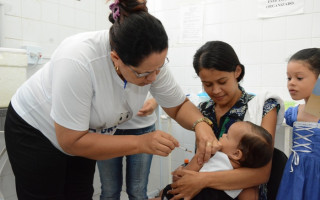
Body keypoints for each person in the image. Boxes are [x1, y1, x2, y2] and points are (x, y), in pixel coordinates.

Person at [4, 1, 217, 199]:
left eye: (159, 69)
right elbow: (71, 140)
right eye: (143, 74)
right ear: (116, 58)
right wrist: (141, 142)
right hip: (36, 129)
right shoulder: (78, 59)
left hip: (84, 133)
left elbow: (178, 106)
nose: (153, 78)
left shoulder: (150, 61)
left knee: (79, 193)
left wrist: (201, 125)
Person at [167, 41, 285, 200]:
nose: (215, 90)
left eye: (222, 82)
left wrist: (202, 180)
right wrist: (186, 174)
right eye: (207, 84)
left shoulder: (264, 107)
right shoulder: (203, 111)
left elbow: (261, 173)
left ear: (237, 71)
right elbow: (202, 160)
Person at [160, 121, 273, 200]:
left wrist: (201, 154)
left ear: (236, 154)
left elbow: (185, 177)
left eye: (227, 136)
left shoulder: (218, 157)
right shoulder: (243, 180)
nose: (222, 135)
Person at [276, 48, 320, 200]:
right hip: (294, 174)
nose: (291, 84)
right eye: (289, 78)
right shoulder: (293, 114)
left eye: (299, 78)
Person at [98, 95, 158, 200]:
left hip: (142, 127)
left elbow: (160, 89)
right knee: (109, 191)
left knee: (138, 192)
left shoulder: (154, 78)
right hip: (107, 128)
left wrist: (154, 101)